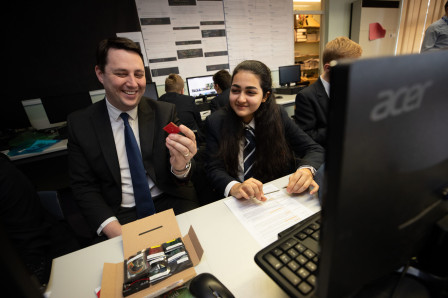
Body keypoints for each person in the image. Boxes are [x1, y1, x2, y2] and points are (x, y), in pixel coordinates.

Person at [67, 37, 199, 240]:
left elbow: (182, 178)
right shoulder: (80, 124)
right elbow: (83, 187)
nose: (133, 83)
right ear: (100, 74)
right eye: (121, 74)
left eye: (138, 74)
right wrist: (118, 233)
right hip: (119, 215)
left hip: (170, 203)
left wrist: (181, 167)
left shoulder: (164, 112)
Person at [204, 60, 325, 201]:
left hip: (273, 196)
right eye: (235, 90)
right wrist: (235, 187)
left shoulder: (278, 115)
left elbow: (314, 149)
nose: (241, 99)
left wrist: (306, 170)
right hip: (237, 201)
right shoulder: (215, 121)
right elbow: (213, 168)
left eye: (250, 92)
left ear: (265, 96)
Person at [294, 36, 362, 148]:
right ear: (328, 68)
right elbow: (307, 137)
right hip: (326, 153)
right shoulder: (306, 96)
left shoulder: (353, 89)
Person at [158, 73, 205, 143]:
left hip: (170, 142)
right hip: (191, 140)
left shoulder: (159, 102)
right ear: (182, 90)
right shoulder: (189, 100)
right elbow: (199, 122)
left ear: (166, 90)